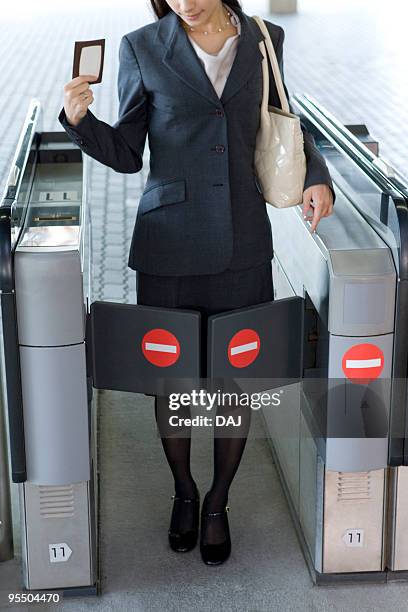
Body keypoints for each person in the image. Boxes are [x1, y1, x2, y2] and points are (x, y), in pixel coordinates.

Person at [58, 0, 334, 566]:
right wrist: (81, 122)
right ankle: (184, 490)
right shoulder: (142, 45)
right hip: (169, 245)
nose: (184, 2)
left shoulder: (262, 37)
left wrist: (319, 177)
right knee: (175, 382)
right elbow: (130, 153)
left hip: (244, 239)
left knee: (235, 379)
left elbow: (284, 115)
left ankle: (217, 502)